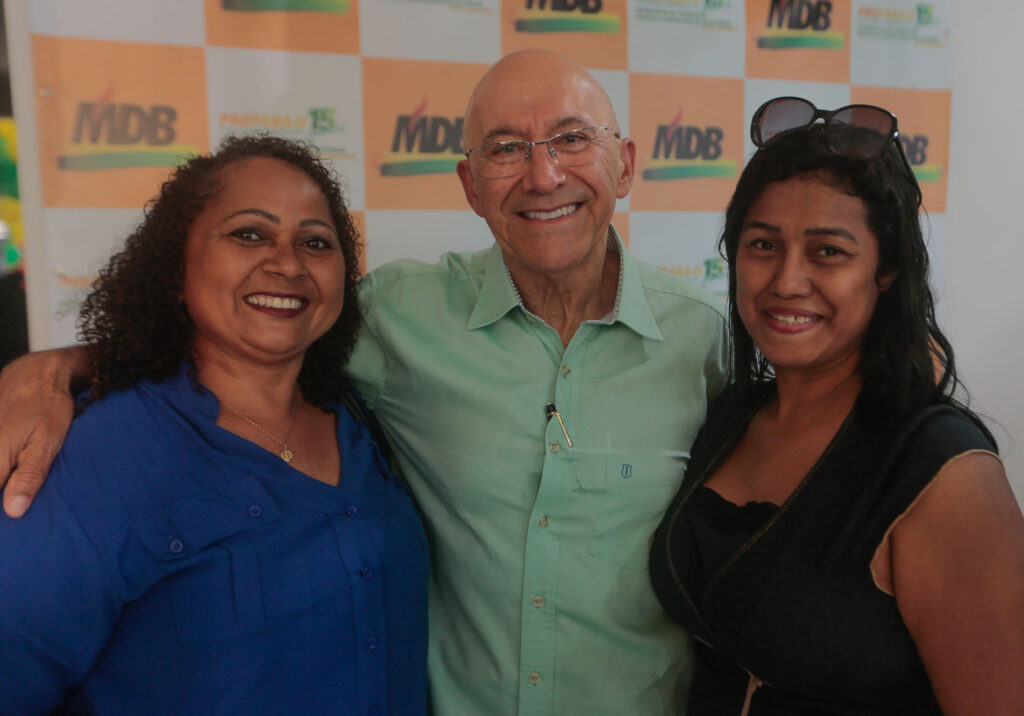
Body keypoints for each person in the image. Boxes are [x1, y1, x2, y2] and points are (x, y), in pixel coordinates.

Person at [0, 51, 729, 714]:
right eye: (506, 148)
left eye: (572, 139)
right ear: (471, 186)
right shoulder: (398, 316)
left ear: (625, 164)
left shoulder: (708, 339)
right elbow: (247, 329)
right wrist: (50, 369)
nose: (543, 175)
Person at [0, 134, 428, 714]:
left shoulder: (363, 419)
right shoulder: (96, 457)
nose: (288, 263)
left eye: (315, 242)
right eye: (249, 233)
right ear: (176, 262)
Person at [649, 97, 1024, 715]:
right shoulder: (731, 414)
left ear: (887, 270)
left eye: (828, 251)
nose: (787, 281)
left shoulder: (946, 473)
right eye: (763, 245)